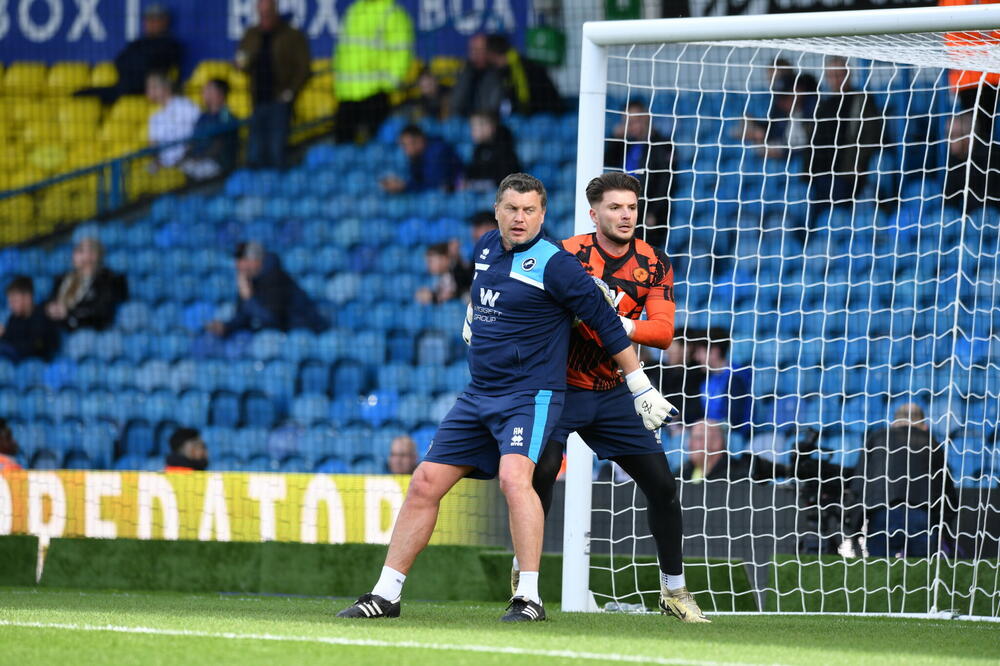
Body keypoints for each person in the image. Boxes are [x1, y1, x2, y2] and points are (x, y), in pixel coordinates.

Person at [337, 173, 674, 622]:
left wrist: (639, 386)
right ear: (497, 211)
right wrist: (473, 317)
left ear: (542, 215)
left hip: (530, 395)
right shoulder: (484, 250)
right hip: (479, 394)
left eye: (529, 210)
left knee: (516, 479)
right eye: (512, 209)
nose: (520, 218)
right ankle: (386, 594)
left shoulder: (557, 265)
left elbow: (607, 323)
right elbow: (482, 294)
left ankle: (529, 597)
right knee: (424, 482)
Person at [527, 172, 706, 623]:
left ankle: (674, 591)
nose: (626, 215)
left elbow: (663, 334)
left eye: (631, 207)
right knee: (542, 472)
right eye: (615, 208)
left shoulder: (654, 262)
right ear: (594, 214)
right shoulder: (564, 255)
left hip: (614, 392)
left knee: (663, 488)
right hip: (560, 386)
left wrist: (614, 321)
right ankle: (524, 581)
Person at [848, 403, 957, 558]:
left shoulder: (877, 437)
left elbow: (859, 482)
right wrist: (947, 525)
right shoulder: (932, 443)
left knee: (879, 570)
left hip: (882, 510)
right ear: (924, 425)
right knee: (921, 572)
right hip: (922, 512)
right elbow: (946, 487)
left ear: (894, 422)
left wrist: (854, 526)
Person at [235, 0, 311, 169]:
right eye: (261, 12)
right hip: (257, 99)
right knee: (254, 152)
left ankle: (279, 186)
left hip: (280, 100)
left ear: (275, 10)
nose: (265, 16)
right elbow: (241, 60)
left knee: (276, 150)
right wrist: (242, 63)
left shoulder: (292, 35)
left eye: (268, 12)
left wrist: (291, 92)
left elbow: (303, 68)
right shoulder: (251, 34)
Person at [806, 56, 886, 208]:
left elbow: (871, 137)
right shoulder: (823, 106)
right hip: (821, 173)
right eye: (831, 75)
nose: (836, 79)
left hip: (848, 174)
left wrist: (858, 164)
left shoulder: (862, 101)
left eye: (840, 74)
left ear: (848, 74)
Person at [334, 0, 415, 143]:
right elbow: (343, 49)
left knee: (375, 147)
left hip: (375, 94)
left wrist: (389, 84)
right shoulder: (355, 9)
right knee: (343, 146)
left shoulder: (392, 12)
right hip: (347, 94)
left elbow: (402, 52)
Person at [206, 242, 328, 337]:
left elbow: (271, 319)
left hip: (303, 332)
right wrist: (226, 327)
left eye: (243, 260)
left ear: (256, 260)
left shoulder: (276, 278)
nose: (239, 266)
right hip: (280, 335)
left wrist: (248, 298)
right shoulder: (249, 280)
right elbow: (244, 316)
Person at [74, 3, 181, 105]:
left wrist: (138, 67)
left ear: (165, 21)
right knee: (80, 94)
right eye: (148, 19)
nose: (150, 23)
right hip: (123, 86)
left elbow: (156, 67)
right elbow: (120, 61)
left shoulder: (170, 45)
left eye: (155, 19)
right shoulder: (138, 43)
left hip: (144, 89)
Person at [604, 100, 675, 249]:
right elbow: (607, 160)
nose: (631, 125)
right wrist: (615, 137)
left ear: (647, 118)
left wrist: (653, 212)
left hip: (647, 214)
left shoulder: (662, 144)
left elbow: (665, 182)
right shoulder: (625, 144)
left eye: (635, 120)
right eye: (627, 121)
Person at [46, 238, 127, 331]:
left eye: (91, 251)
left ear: (96, 256)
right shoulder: (62, 278)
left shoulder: (106, 279)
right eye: (79, 250)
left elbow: (101, 311)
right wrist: (50, 308)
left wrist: (68, 313)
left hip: (87, 332)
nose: (85, 256)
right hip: (59, 329)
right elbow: (50, 299)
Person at [686, 328, 753, 437]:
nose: (696, 357)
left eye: (699, 352)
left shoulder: (736, 378)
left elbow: (736, 420)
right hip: (709, 435)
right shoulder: (705, 378)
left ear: (714, 352)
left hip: (732, 437)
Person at [485, 34, 563, 116]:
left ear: (491, 54)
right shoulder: (506, 66)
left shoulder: (520, 67)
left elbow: (525, 98)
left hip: (544, 114)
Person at [182, 78, 240, 180]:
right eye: (204, 90)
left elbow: (221, 143)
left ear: (220, 94)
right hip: (198, 163)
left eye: (209, 90)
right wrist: (187, 156)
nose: (204, 93)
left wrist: (200, 158)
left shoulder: (226, 115)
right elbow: (192, 141)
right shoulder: (202, 116)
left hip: (218, 165)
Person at [944, 109, 1000, 211]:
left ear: (968, 137)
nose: (948, 140)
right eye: (947, 134)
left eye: (953, 135)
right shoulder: (954, 158)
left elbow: (989, 200)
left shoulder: (991, 156)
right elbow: (950, 199)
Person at [380, 125, 462, 193]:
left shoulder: (437, 152)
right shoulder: (416, 157)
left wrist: (405, 186)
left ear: (419, 141)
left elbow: (434, 185)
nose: (404, 150)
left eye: (405, 145)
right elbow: (418, 181)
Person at [146, 71, 200, 169]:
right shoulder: (154, 118)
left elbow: (198, 132)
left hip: (189, 161)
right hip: (165, 169)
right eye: (149, 88)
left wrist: (184, 157)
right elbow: (153, 147)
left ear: (166, 87)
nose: (149, 91)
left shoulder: (185, 105)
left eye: (154, 87)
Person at [0, 276, 60, 361]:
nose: (11, 306)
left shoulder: (43, 316)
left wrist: (5, 336)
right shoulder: (13, 318)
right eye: (10, 302)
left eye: (14, 301)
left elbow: (35, 347)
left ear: (28, 298)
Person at [450, 34, 505, 117]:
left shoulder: (497, 74)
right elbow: (456, 103)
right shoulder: (465, 72)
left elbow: (495, 105)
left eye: (479, 50)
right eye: (472, 49)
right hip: (466, 120)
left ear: (489, 51)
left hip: (489, 119)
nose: (475, 53)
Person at [464, 111, 522, 189]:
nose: (472, 132)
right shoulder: (478, 149)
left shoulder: (504, 148)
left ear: (489, 127)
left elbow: (505, 180)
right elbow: (472, 174)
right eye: (472, 127)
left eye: (475, 127)